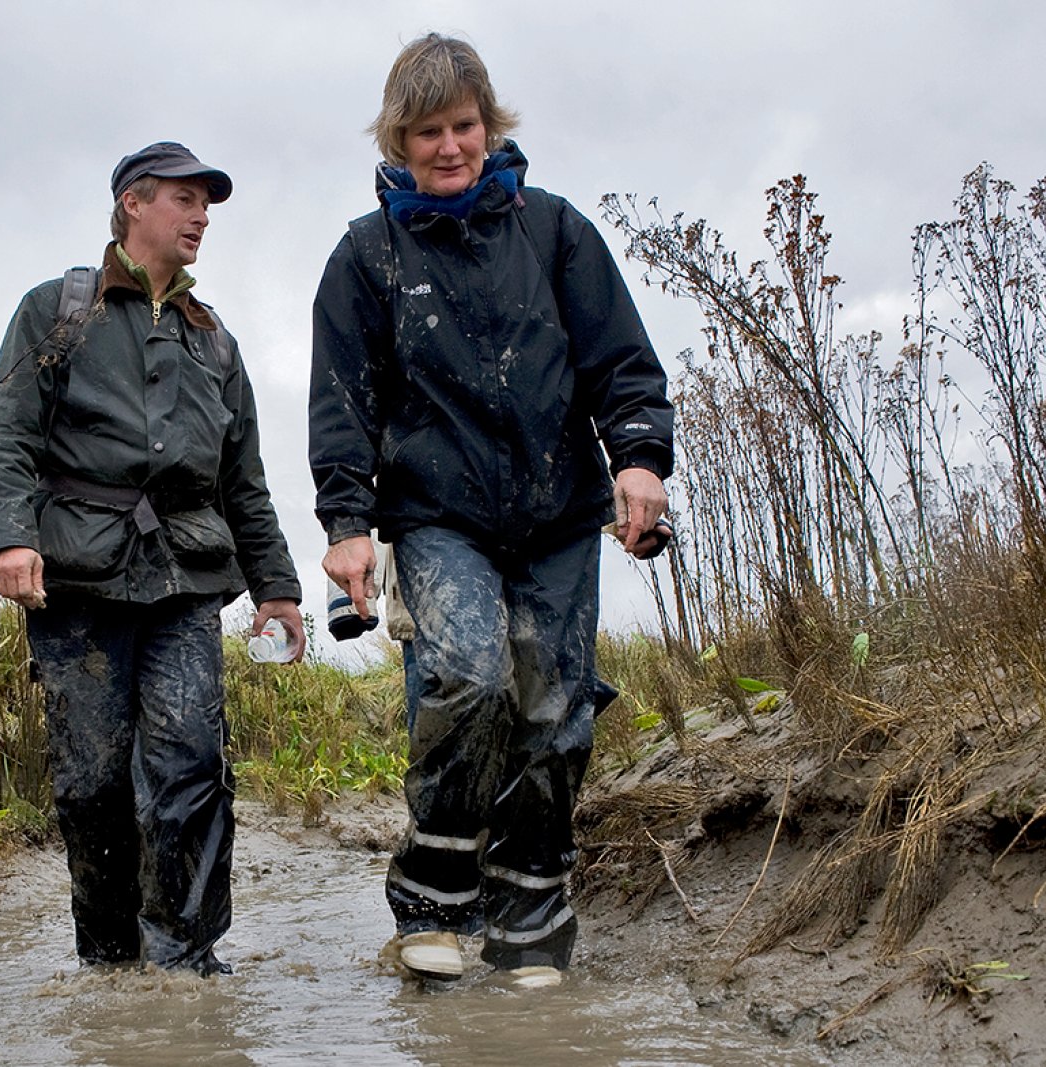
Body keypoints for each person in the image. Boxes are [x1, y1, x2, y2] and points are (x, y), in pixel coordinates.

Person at [309, 35, 674, 987]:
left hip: (557, 513)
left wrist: (639, 461)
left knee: (556, 707)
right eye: (426, 132)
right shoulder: (366, 257)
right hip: (439, 517)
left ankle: (530, 914)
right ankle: (433, 895)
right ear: (398, 140)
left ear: (489, 124)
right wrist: (347, 524)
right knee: (468, 675)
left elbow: (621, 365)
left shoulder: (554, 232)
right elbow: (342, 406)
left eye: (463, 125)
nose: (449, 147)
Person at [0, 142, 305, 976]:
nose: (201, 218)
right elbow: (5, 435)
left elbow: (246, 483)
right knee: (92, 785)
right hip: (77, 582)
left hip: (186, 584)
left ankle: (184, 961)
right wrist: (9, 536)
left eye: (207, 205)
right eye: (186, 200)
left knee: (191, 768)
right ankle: (112, 961)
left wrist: (278, 589)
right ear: (133, 203)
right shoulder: (57, 311)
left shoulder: (216, 344)